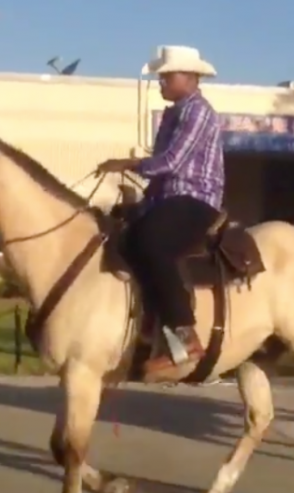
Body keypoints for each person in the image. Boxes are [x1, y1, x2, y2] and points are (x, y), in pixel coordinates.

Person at [95, 46, 224, 372]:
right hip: (168, 198)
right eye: (160, 76)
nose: (161, 82)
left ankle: (185, 335)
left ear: (190, 77)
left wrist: (127, 163)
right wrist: (138, 203)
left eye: (167, 76)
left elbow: (172, 162)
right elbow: (163, 175)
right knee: (123, 238)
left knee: (152, 243)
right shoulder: (173, 113)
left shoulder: (198, 112)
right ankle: (149, 326)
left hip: (196, 199)